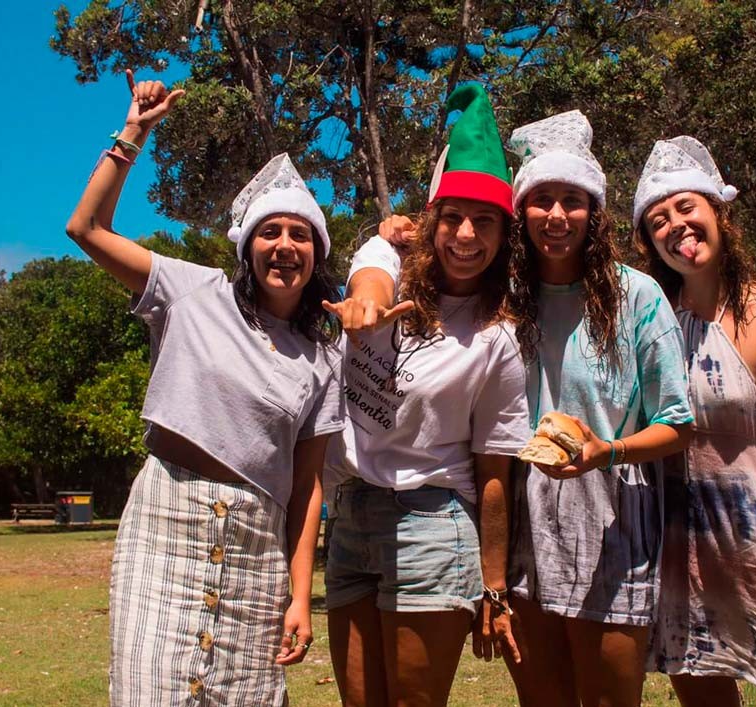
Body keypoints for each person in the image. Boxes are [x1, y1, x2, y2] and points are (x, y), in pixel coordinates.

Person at [65, 72, 343, 706]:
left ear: (316, 252)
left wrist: (300, 595)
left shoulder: (321, 355)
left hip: (257, 543)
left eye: (300, 235)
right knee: (149, 689)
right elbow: (86, 230)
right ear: (247, 248)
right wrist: (133, 132)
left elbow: (307, 489)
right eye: (270, 233)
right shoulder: (193, 290)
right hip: (168, 520)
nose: (284, 245)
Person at [322, 84, 530, 706]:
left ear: (503, 233)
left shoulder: (498, 335)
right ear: (430, 222)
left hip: (433, 523)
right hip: (351, 516)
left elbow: (495, 469)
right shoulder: (384, 254)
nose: (467, 235)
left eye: (485, 221)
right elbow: (370, 279)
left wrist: (493, 586)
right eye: (454, 218)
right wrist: (367, 303)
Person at [497, 111, 694, 707]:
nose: (556, 217)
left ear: (594, 211)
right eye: (542, 200)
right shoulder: (507, 300)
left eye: (572, 201)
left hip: (614, 520)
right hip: (525, 522)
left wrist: (604, 450)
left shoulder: (637, 295)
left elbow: (677, 424)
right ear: (521, 211)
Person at [632, 136, 756, 706]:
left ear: (718, 211)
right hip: (681, 542)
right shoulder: (653, 323)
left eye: (686, 207)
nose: (676, 225)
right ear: (650, 242)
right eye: (658, 220)